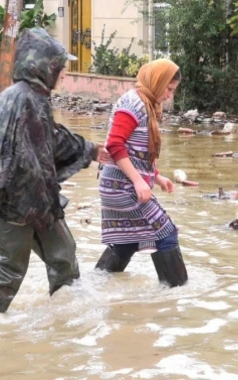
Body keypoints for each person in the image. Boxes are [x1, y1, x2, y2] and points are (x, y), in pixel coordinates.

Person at [0, 28, 110, 316]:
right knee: (7, 275)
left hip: (38, 205)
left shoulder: (32, 98)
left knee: (64, 258)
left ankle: (63, 323)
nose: (63, 73)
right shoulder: (22, 100)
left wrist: (90, 150)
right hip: (12, 208)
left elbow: (51, 140)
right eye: (60, 67)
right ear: (44, 66)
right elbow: (3, 153)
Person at [94, 59, 188, 288]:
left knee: (128, 241)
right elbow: (115, 145)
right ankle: (177, 295)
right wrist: (138, 181)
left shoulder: (145, 103)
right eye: (168, 89)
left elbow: (137, 153)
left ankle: (91, 286)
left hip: (119, 186)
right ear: (157, 81)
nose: (169, 95)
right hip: (122, 187)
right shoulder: (133, 104)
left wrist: (156, 177)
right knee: (166, 234)